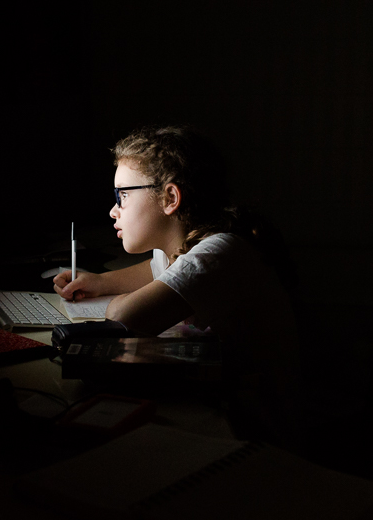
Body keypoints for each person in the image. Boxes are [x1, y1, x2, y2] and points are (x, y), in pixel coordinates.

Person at [53, 125, 304, 449]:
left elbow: (126, 317)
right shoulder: (186, 244)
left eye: (123, 195)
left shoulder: (219, 254)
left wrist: (116, 300)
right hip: (220, 402)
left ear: (170, 198)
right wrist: (101, 282)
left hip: (256, 434)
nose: (114, 209)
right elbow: (156, 268)